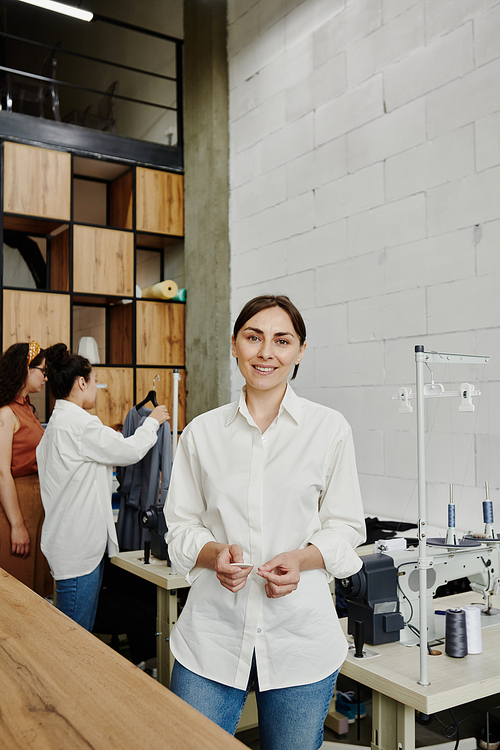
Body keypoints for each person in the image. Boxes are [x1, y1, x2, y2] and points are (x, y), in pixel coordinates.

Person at [165, 295, 366, 750]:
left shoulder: (329, 429)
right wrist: (215, 554)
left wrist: (302, 558)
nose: (266, 352)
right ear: (235, 345)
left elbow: (347, 527)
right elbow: (180, 525)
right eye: (253, 338)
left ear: (300, 350)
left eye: (282, 340)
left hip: (300, 641)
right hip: (211, 638)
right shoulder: (202, 433)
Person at [36, 343, 169, 631]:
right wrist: (153, 423)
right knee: (75, 638)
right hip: (77, 551)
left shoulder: (57, 425)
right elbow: (129, 451)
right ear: (81, 382)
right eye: (95, 380)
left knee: (78, 632)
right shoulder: (80, 425)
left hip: (71, 544)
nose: (97, 388)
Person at [0, 341, 52, 597]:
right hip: (15, 506)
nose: (45, 377)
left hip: (34, 504)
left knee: (35, 587)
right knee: (17, 592)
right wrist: (17, 525)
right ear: (24, 370)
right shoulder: (6, 413)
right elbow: (1, 472)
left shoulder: (26, 408)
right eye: (42, 370)